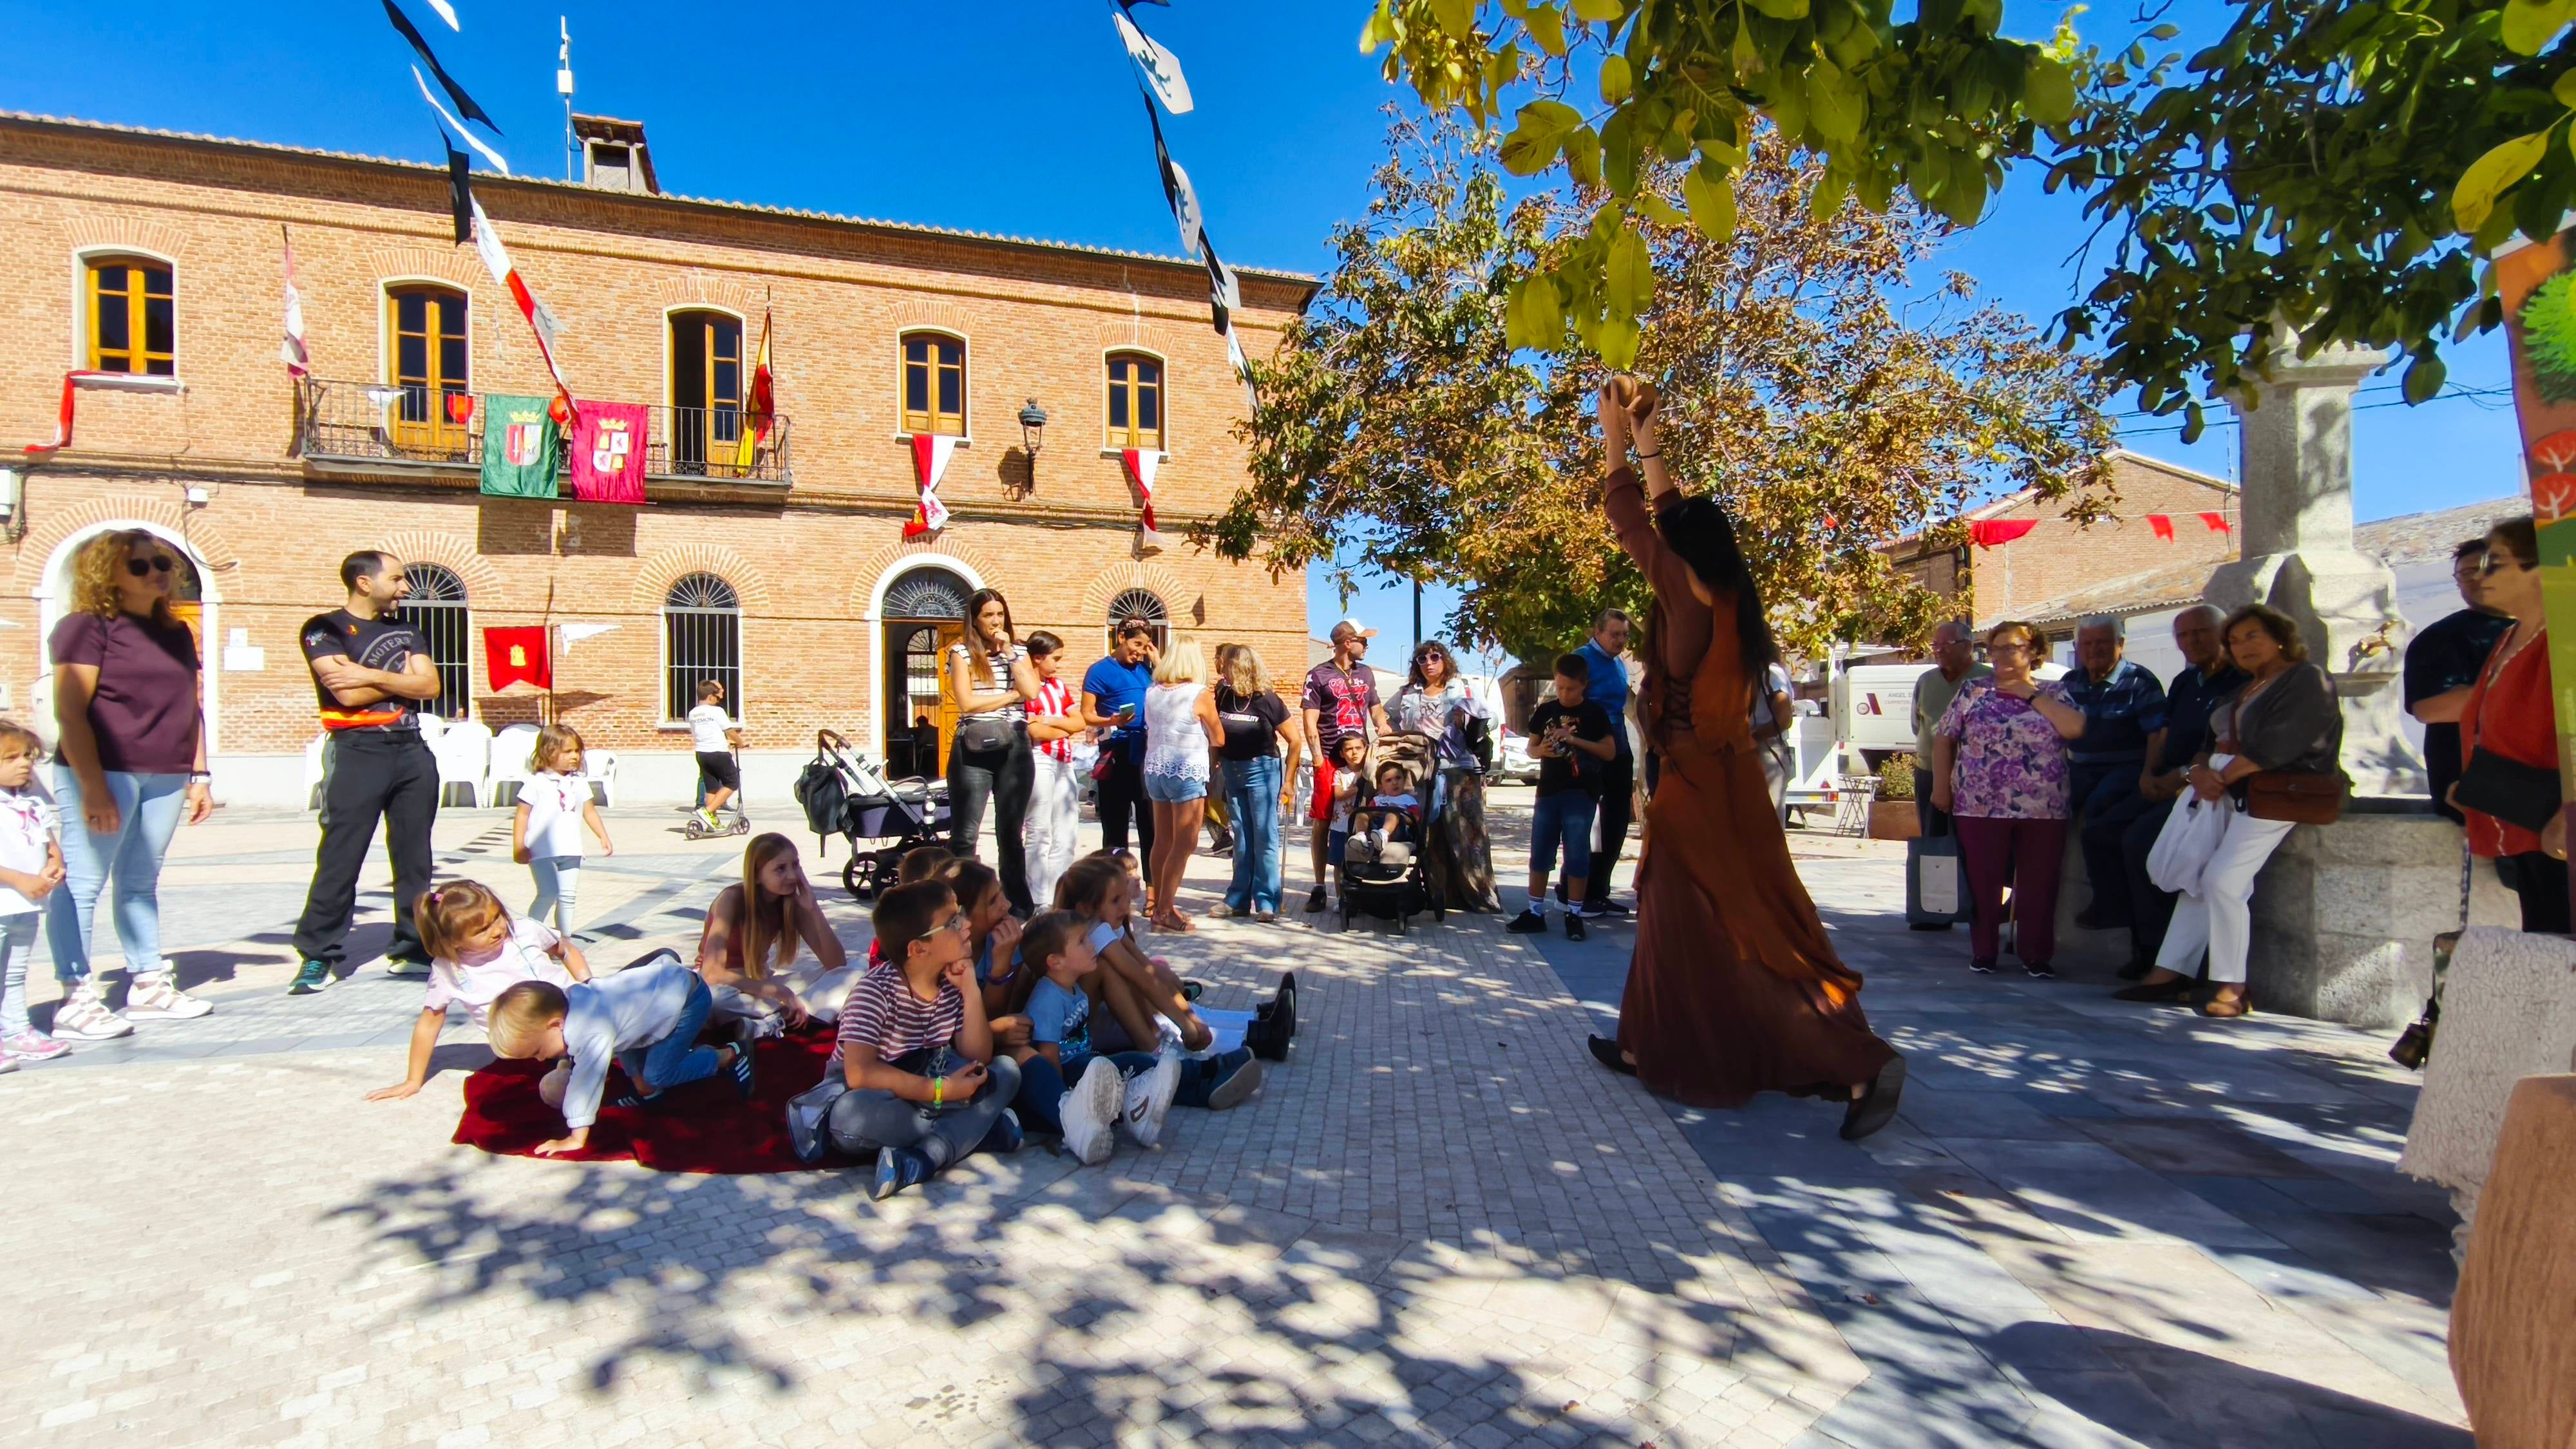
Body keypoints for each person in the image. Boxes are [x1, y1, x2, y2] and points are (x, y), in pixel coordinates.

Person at [1585, 377, 1905, 1141]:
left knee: (1713, 927)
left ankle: (1855, 1061)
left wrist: (1611, 435)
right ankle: (1642, 1043)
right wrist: (1647, 431)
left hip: (1695, 788)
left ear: (1682, 547)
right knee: (1739, 918)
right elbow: (1666, 511)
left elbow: (1628, 518)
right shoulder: (1728, 590)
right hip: (1726, 781)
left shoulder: (1681, 589)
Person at [2117, 603, 2344, 1016]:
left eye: (2253, 636)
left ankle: (2232, 987)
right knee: (2197, 876)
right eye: (2235, 641)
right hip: (2229, 791)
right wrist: (2199, 773)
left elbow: (2279, 744)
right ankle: (2169, 970)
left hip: (2276, 793)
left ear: (2280, 637)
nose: (2243, 647)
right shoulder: (2248, 687)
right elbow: (2209, 742)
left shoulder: (2306, 679)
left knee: (2223, 880)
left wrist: (2218, 777)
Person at [43, 530, 216, 1037]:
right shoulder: (85, 627)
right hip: (105, 770)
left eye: (161, 563)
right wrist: (92, 786)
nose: (156, 572)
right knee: (83, 883)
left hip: (167, 771)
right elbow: (71, 712)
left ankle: (147, 984)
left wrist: (200, 774)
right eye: (139, 566)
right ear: (109, 574)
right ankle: (75, 996)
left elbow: (189, 704)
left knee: (141, 881)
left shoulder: (175, 630)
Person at [290, 551, 443, 996]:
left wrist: (364, 674)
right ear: (364, 583)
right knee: (342, 855)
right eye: (396, 579)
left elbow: (431, 686)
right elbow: (346, 696)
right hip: (357, 751)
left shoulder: (408, 630)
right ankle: (318, 954)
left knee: (415, 857)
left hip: (412, 751)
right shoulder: (324, 629)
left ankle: (414, 947)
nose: (404, 588)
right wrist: (397, 679)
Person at [826, 878, 1024, 1199]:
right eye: (953, 922)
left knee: (1007, 1071)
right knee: (848, 1117)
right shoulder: (874, 992)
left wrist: (971, 991)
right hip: (886, 1099)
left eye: (961, 914)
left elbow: (978, 1057)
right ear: (919, 949)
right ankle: (976, 1132)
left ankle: (925, 1158)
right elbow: (860, 1074)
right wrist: (942, 1092)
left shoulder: (951, 982)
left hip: (937, 1090)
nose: (966, 925)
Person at [1931, 621, 2087, 978]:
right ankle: (1984, 952)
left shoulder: (2054, 691)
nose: (2000, 655)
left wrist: (2029, 694)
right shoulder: (1974, 691)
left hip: (2044, 806)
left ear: (2034, 652)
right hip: (1980, 803)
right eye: (1995, 648)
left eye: (2011, 648)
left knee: (2039, 884)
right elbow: (1944, 738)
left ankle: (2036, 955)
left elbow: (2075, 728)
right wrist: (1942, 787)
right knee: (1983, 883)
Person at [488, 953, 758, 1157]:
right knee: (636, 1066)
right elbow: (610, 1043)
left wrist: (576, 1137)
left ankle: (729, 1055)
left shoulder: (588, 1031)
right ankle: (650, 1087)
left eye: (537, 1051)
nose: (539, 1059)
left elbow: (586, 1082)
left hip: (687, 1001)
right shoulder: (572, 1004)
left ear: (556, 1024)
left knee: (657, 1074)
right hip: (659, 997)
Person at [2107, 606, 2246, 978]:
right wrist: (2149, 774)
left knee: (2141, 842)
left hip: (2207, 791)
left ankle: (2162, 956)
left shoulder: (2240, 681)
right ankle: (2133, 935)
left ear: (2222, 634)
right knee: (2105, 828)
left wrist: (2182, 779)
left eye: (2201, 632)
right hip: (2171, 780)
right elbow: (2164, 732)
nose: (2192, 641)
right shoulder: (2186, 681)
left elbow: (2219, 747)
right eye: (2183, 635)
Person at [366, 880, 588, 1103]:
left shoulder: (525, 932)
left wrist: (588, 984)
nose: (497, 930)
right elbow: (430, 1022)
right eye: (482, 930)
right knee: (511, 1098)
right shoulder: (450, 970)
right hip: (527, 1053)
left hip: (576, 1022)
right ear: (453, 941)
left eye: (497, 917)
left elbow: (565, 950)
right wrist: (413, 1080)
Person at [2456, 517, 2569, 933]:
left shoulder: (2565, 636)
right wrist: (2475, 785)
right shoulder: (2510, 638)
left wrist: (2569, 815)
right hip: (2523, 824)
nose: (2479, 575)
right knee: (2543, 944)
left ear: (2540, 568)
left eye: (2496, 562)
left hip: (2558, 831)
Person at [999, 910, 1132, 1164]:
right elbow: (1049, 1055)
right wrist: (1061, 1093)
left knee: (1134, 1062)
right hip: (1066, 1072)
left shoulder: (1074, 988)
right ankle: (1080, 1122)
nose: (1092, 945)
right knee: (1112, 1069)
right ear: (1055, 961)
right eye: (1082, 941)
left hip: (1080, 1065)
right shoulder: (1048, 998)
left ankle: (1136, 1102)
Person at [2063, 616, 2168, 931]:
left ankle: (2108, 905)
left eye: (2102, 643)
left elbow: (2157, 733)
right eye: (2087, 643)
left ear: (2120, 644)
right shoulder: (2070, 682)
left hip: (2124, 767)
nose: (2094, 649)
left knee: (2098, 813)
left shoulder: (2139, 681)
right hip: (2079, 765)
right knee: (2036, 810)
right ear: (2077, 647)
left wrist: (2149, 774)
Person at [2406, 538, 2512, 827]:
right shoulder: (2440, 638)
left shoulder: (2545, 628)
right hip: (2474, 796)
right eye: (2466, 573)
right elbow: (2430, 710)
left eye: (2487, 568)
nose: (2477, 578)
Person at [1508, 653, 1615, 942]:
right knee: (1540, 850)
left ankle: (1575, 913)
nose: (1565, 694)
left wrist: (1574, 740)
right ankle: (1535, 912)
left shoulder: (1594, 713)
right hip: (1548, 791)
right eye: (1560, 687)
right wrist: (1540, 751)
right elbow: (1531, 747)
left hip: (1582, 792)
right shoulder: (1546, 710)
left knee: (1577, 852)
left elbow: (1609, 751)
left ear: (1584, 686)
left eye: (1571, 689)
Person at [947, 589, 1040, 914]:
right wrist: (1011, 695)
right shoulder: (961, 653)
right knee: (965, 833)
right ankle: (961, 903)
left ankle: (1016, 904)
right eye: (988, 615)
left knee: (1011, 832)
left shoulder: (1020, 651)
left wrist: (1011, 653)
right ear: (975, 620)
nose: (995, 621)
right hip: (974, 745)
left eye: (1000, 614)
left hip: (1014, 745)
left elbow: (1032, 692)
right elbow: (967, 703)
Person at [1388, 639, 1498, 913]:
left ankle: (1481, 896)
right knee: (1431, 835)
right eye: (1422, 659)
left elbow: (1492, 718)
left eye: (1435, 657)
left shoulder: (1462, 688)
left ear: (1445, 660)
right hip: (1423, 770)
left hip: (1460, 770)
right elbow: (1388, 717)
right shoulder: (1408, 693)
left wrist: (1470, 722)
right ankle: (1440, 895)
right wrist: (1396, 737)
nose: (1429, 664)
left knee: (1468, 834)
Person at [695, 833, 843, 1030]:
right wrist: (778, 992)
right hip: (725, 985)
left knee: (855, 969)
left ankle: (774, 1017)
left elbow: (836, 964)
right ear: (757, 875)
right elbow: (712, 974)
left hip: (761, 982)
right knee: (715, 1001)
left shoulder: (791, 903)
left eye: (795, 865)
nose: (792, 876)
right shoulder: (731, 899)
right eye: (781, 869)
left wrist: (813, 908)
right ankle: (786, 1014)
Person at [1302, 620, 1390, 913]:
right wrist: (1318, 760)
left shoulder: (1366, 673)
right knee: (1323, 821)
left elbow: (1376, 709)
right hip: (1330, 756)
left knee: (1360, 817)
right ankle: (1319, 887)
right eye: (1363, 641)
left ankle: (1352, 886)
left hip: (1360, 756)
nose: (1367, 646)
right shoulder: (1318, 675)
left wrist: (1383, 728)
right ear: (1348, 643)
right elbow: (1310, 721)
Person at [1210, 643, 1299, 923]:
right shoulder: (1223, 694)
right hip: (1232, 770)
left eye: (1226, 664)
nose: (1221, 668)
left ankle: (1267, 901)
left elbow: (1295, 741)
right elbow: (1215, 734)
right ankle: (1238, 899)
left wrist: (1289, 781)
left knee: (1264, 836)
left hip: (1262, 770)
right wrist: (1213, 765)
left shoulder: (1267, 699)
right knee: (1241, 836)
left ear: (1238, 668)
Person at [1140, 639, 1222, 932]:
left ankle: (1158, 903)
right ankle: (1165, 910)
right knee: (1185, 842)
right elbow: (1219, 736)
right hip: (1186, 769)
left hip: (1156, 766)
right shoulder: (1198, 693)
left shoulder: (1152, 692)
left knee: (1162, 840)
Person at [0, 722, 67, 1066]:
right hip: (6, 899)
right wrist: (18, 879)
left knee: (14, 972)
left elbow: (50, 846)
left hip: (26, 905)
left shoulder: (32, 804)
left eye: (27, 756)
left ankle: (16, 1031)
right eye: (10, 758)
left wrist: (55, 864)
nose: (24, 763)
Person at [513, 724, 612, 937]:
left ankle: (565, 938)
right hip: (542, 851)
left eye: (577, 751)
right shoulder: (536, 783)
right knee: (548, 894)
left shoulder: (579, 783)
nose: (574, 756)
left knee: (568, 897)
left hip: (571, 850)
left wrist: (603, 836)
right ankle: (528, 935)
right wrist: (519, 846)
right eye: (567, 751)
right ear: (548, 752)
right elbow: (522, 815)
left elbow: (590, 812)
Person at [1021, 632, 1088, 911]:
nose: (1058, 665)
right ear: (1038, 658)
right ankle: (1039, 898)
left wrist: (1049, 720)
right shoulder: (1026, 688)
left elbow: (1079, 723)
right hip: (1039, 759)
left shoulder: (1058, 686)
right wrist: (1062, 726)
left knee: (1067, 831)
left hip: (1064, 759)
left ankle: (1058, 895)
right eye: (1055, 659)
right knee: (1040, 829)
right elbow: (1034, 732)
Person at [1083, 621, 1160, 860]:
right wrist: (1112, 720)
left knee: (1150, 825)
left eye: (1146, 647)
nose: (1140, 652)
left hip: (1145, 752)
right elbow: (1086, 714)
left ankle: (1152, 882)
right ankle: (1115, 878)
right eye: (1137, 644)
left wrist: (1158, 663)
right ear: (1121, 637)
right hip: (1116, 753)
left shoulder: (1147, 670)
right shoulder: (1099, 671)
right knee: (1115, 826)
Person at [1576, 609, 1636, 913]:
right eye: (1614, 634)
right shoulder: (1582, 660)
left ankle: (1600, 890)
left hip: (1619, 749)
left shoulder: (1619, 665)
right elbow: (1569, 703)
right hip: (1590, 751)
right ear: (1597, 632)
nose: (1620, 641)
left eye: (1624, 635)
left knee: (1616, 820)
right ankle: (1576, 892)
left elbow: (1628, 704)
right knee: (1586, 823)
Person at [1909, 621, 1988, 841]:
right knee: (1933, 844)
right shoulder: (1926, 681)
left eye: (1947, 644)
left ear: (1968, 647)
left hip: (1975, 776)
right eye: (1935, 644)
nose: (1939, 650)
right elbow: (1917, 725)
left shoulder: (1988, 680)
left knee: (1973, 842)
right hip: (1929, 774)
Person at [687, 680, 745, 831]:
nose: (718, 700)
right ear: (711, 697)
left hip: (702, 753)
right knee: (732, 783)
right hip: (718, 753)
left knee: (711, 788)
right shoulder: (717, 711)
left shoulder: (693, 713)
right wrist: (741, 743)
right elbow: (730, 731)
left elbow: (698, 732)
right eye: (717, 697)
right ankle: (708, 810)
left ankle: (713, 823)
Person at [1749, 657, 1797, 825]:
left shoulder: (1772, 673)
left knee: (1770, 820)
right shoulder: (1758, 674)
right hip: (1757, 747)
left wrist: (1750, 736)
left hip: (1768, 748)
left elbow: (1784, 719)